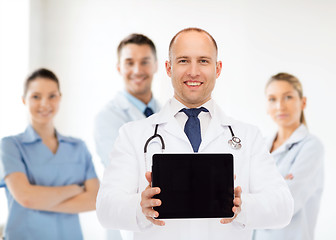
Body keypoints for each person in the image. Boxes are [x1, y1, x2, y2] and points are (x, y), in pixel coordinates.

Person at [96, 28, 294, 240]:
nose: (193, 71)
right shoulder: (133, 135)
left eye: (203, 61)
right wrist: (140, 206)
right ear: (168, 68)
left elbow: (283, 207)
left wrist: (242, 205)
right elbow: (105, 209)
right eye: (183, 61)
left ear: (217, 69)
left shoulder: (248, 136)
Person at [0, 68, 99, 240]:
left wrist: (39, 200)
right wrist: (74, 190)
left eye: (52, 96)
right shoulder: (11, 146)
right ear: (24, 100)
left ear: (60, 98)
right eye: (36, 96)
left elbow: (95, 199)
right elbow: (26, 198)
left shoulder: (78, 147)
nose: (45, 103)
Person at [253, 73, 324, 240]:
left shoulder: (311, 147)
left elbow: (286, 204)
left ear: (303, 102)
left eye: (288, 97)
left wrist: (248, 201)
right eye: (272, 99)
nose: (279, 106)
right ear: (266, 106)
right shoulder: (260, 146)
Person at [94, 33, 160, 168]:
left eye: (145, 62)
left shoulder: (165, 111)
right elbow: (120, 169)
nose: (137, 70)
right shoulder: (107, 117)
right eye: (129, 63)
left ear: (155, 66)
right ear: (119, 68)